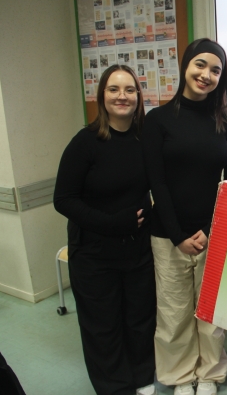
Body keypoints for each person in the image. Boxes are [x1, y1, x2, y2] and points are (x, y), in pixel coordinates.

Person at [142, 38, 227, 395]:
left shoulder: (226, 120)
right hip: (168, 233)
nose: (207, 74)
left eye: (216, 69)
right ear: (185, 66)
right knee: (174, 312)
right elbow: (157, 184)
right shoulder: (158, 120)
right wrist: (179, 235)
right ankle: (181, 375)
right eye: (200, 65)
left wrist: (210, 228)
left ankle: (210, 373)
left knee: (211, 312)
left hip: (212, 231)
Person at [54, 64, 156, 395]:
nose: (122, 96)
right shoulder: (85, 142)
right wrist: (113, 223)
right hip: (94, 254)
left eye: (129, 90)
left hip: (137, 250)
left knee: (140, 320)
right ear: (102, 96)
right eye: (114, 89)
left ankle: (142, 377)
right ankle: (114, 387)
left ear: (139, 97)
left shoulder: (145, 139)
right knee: (103, 326)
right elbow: (64, 200)